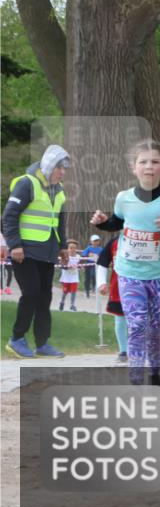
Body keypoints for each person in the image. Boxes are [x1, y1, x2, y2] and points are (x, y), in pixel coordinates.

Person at [91, 140, 160, 385]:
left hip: (158, 275)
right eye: (143, 162)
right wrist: (102, 222)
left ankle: (154, 373)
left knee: (154, 329)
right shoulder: (123, 198)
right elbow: (117, 222)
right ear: (134, 168)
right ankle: (135, 379)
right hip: (128, 272)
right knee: (136, 325)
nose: (149, 167)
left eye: (155, 162)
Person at [2, 144, 71, 358]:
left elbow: (58, 222)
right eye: (60, 167)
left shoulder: (59, 192)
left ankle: (42, 344)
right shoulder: (26, 184)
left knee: (44, 297)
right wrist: (15, 245)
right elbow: (9, 216)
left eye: (65, 168)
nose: (63, 172)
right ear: (50, 166)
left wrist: (63, 246)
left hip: (47, 252)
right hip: (25, 252)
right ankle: (16, 339)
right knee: (31, 293)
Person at [96, 237, 129, 363]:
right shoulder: (115, 242)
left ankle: (138, 348)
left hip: (142, 285)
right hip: (119, 286)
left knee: (140, 319)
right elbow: (103, 263)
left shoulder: (148, 236)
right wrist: (101, 283)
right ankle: (123, 351)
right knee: (120, 318)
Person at [57, 239, 81, 312]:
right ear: (67, 249)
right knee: (65, 292)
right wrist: (67, 267)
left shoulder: (78, 256)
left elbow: (81, 264)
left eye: (74, 248)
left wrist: (79, 266)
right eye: (70, 248)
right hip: (66, 278)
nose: (72, 250)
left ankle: (72, 305)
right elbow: (60, 265)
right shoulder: (65, 256)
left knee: (73, 292)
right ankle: (62, 302)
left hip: (74, 278)